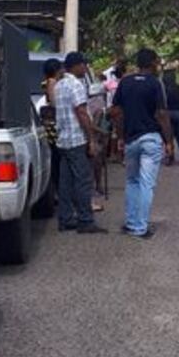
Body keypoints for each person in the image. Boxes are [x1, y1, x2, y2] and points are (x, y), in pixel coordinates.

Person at [111, 49, 174, 239]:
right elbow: (162, 114)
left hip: (131, 140)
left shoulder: (125, 82)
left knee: (132, 181)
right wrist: (169, 141)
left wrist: (120, 137)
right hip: (151, 139)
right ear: (152, 63)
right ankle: (140, 227)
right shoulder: (156, 84)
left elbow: (116, 112)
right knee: (147, 183)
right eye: (156, 62)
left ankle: (131, 223)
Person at [54, 52, 107, 234]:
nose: (85, 68)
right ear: (75, 66)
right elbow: (81, 112)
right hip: (77, 139)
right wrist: (91, 139)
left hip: (63, 140)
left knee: (65, 182)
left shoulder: (59, 85)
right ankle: (85, 220)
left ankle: (66, 218)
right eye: (83, 64)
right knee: (83, 180)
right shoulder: (75, 85)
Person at [41, 58, 63, 198]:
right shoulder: (52, 82)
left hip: (50, 124)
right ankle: (57, 192)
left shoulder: (48, 82)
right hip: (53, 125)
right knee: (56, 158)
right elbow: (55, 103)